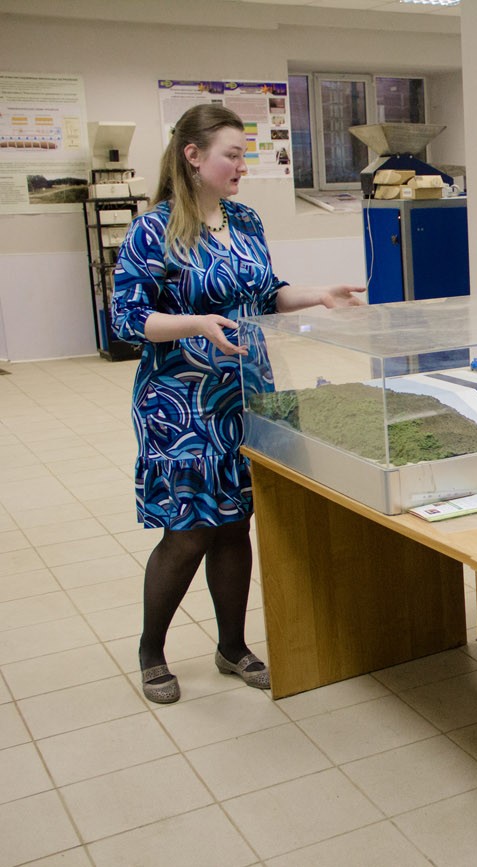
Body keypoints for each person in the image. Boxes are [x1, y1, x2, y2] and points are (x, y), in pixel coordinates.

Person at [112, 104, 364, 703]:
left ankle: (232, 647)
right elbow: (126, 320)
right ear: (193, 156)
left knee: (233, 523)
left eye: (244, 155)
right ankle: (151, 651)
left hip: (247, 395)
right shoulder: (154, 230)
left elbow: (267, 293)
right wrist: (196, 322)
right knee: (189, 530)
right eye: (232, 155)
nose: (242, 166)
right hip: (181, 402)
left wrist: (318, 295)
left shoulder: (245, 220)